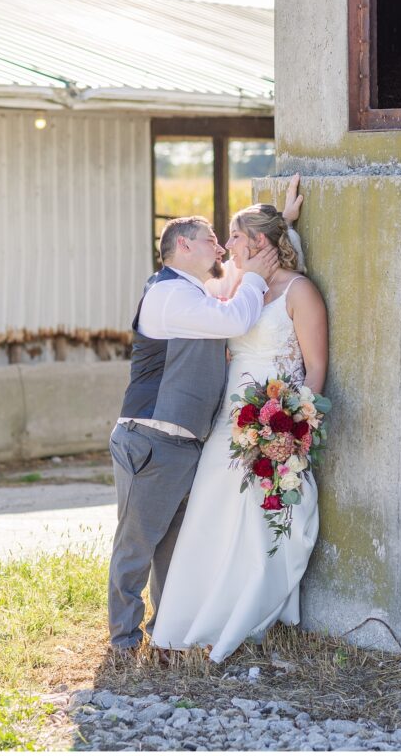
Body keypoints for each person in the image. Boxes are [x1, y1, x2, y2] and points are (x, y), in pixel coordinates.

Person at [151, 200, 328, 662]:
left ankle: (248, 615)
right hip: (231, 420)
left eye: (234, 236)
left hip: (277, 421)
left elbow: (317, 367)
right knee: (211, 516)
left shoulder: (299, 291)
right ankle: (194, 619)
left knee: (261, 519)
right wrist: (283, 222)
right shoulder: (238, 287)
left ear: (259, 243)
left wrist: (295, 427)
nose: (226, 246)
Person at [107, 211, 282, 655]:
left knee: (172, 549)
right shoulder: (167, 293)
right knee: (137, 545)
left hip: (181, 444)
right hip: (151, 438)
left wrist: (282, 221)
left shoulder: (190, 293)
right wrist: (257, 279)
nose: (221, 248)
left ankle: (163, 635)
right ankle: (124, 644)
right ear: (182, 246)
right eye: (210, 239)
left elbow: (224, 310)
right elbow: (234, 321)